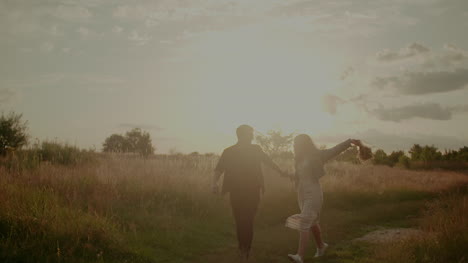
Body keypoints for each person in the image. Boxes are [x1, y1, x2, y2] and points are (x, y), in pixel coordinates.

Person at [212, 125, 286, 260]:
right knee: (242, 219)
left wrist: (281, 172)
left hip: (251, 190)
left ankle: (244, 248)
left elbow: (268, 162)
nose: (253, 136)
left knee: (245, 219)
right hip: (238, 190)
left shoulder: (253, 149)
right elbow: (219, 169)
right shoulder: (229, 151)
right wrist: (214, 183)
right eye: (251, 134)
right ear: (244, 135)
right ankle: (243, 248)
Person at [286, 134, 361, 263]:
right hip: (301, 193)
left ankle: (300, 256)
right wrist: (291, 176)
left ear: (303, 144)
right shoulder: (298, 159)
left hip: (313, 192)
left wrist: (349, 142)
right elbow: (300, 175)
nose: (294, 146)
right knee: (312, 222)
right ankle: (321, 246)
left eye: (296, 143)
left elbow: (335, 150)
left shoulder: (317, 155)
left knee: (304, 221)